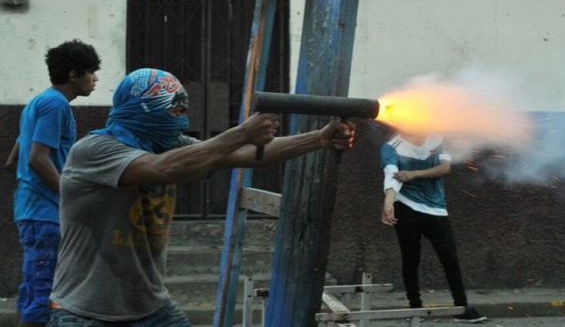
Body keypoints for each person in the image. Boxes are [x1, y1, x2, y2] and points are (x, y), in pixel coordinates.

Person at [47, 68, 355, 327]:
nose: (183, 118)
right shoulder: (95, 150)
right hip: (85, 313)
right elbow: (164, 169)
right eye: (175, 110)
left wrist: (318, 138)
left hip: (149, 308)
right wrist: (241, 132)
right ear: (146, 110)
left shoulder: (170, 142)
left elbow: (248, 154)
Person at [3, 40, 102, 327]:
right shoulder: (55, 105)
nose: (95, 78)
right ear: (73, 75)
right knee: (41, 299)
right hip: (45, 216)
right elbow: (37, 159)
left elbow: (14, 161)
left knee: (33, 292)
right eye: (90, 72)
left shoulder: (38, 102)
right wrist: (70, 196)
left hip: (32, 211)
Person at [380, 130, 487, 323]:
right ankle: (415, 309)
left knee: (450, 259)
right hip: (405, 207)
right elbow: (390, 175)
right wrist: (388, 203)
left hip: (436, 210)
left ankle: (462, 308)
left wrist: (414, 173)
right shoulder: (391, 147)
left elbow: (445, 168)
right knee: (411, 259)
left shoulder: (438, 139)